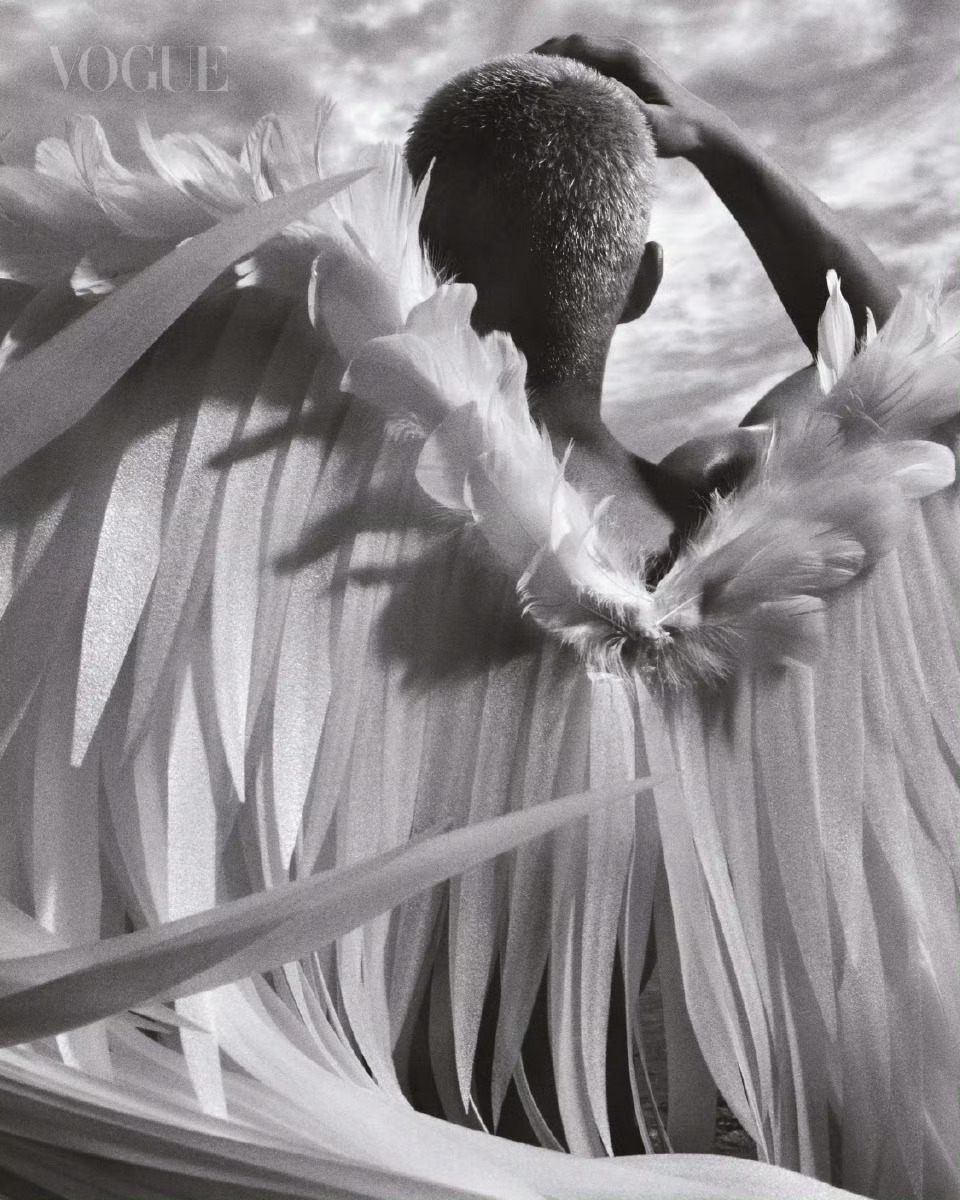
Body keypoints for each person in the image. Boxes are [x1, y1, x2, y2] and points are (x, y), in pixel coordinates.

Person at [0, 37, 953, 1200]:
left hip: (332, 1153)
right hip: (648, 1166)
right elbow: (922, 378)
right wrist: (718, 143)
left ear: (414, 249)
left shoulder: (293, 510)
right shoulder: (722, 535)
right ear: (645, 285)